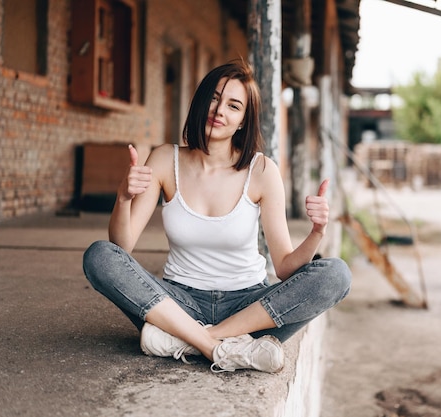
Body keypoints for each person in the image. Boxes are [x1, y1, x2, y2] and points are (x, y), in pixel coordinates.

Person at [82, 61, 352, 373]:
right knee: (100, 256)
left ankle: (191, 340)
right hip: (178, 301)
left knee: (336, 274)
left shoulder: (261, 170)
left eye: (233, 106)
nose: (220, 110)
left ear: (242, 121)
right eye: (214, 98)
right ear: (200, 101)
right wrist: (123, 197)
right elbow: (121, 248)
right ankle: (220, 348)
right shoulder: (163, 159)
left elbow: (284, 267)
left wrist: (317, 232)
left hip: (249, 307)